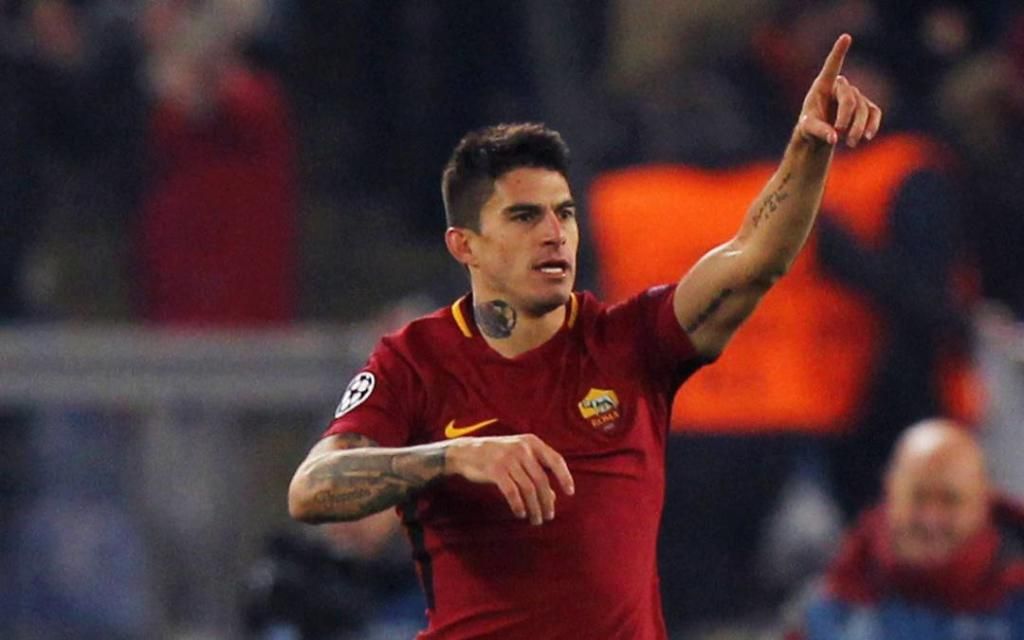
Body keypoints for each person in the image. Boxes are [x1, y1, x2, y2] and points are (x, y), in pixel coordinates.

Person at [289, 34, 881, 639]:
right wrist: (453, 457)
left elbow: (754, 258)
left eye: (564, 213)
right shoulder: (418, 359)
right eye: (525, 216)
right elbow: (313, 489)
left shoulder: (629, 342)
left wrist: (807, 148)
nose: (554, 234)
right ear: (466, 245)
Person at [788, 419, 1024, 639]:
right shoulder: (834, 604)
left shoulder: (1017, 603)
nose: (931, 519)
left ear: (984, 501)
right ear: (890, 491)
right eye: (917, 498)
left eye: (950, 500)